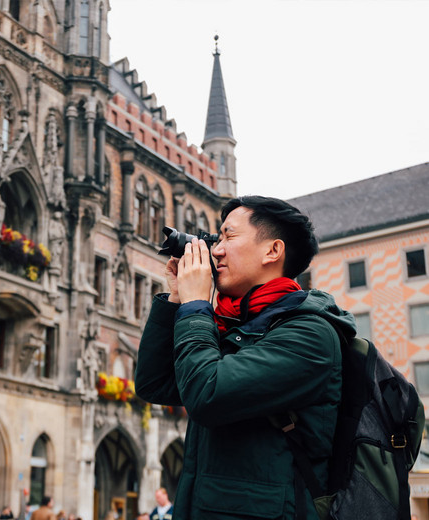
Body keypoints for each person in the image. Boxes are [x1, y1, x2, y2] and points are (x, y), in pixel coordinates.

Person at [135, 196, 354, 520]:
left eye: (229, 236)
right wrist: (176, 300)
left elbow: (207, 393)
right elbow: (155, 384)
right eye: (217, 239)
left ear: (272, 251)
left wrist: (196, 305)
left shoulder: (311, 334)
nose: (216, 250)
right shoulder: (238, 325)